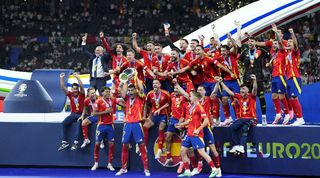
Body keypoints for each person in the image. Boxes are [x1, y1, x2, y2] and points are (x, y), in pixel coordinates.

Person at [175, 91, 219, 178]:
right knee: (183, 151)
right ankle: (187, 171)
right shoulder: (191, 107)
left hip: (196, 134)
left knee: (202, 152)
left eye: (190, 96)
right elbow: (189, 121)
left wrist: (198, 130)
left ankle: (214, 169)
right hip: (189, 133)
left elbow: (206, 121)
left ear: (195, 97)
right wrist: (180, 124)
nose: (189, 97)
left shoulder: (199, 107)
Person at [116, 78, 150, 176]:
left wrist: (136, 77)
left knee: (142, 146)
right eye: (129, 90)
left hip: (137, 124)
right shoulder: (126, 99)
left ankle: (146, 169)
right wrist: (126, 80)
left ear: (136, 91)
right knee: (124, 145)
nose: (130, 92)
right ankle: (123, 168)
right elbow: (123, 93)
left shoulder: (141, 98)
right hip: (127, 124)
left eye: (132, 90)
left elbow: (142, 89)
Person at [218, 74, 258, 154]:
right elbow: (229, 91)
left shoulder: (251, 96)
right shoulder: (239, 97)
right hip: (245, 121)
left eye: (243, 89)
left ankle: (237, 146)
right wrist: (221, 83)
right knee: (244, 129)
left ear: (248, 90)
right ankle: (240, 146)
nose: (241, 91)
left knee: (233, 126)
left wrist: (254, 80)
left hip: (252, 119)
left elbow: (255, 89)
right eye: (240, 89)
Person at [239, 36, 268, 126]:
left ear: (255, 42)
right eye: (249, 41)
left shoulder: (261, 51)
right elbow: (239, 62)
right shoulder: (245, 52)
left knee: (261, 97)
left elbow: (269, 55)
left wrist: (268, 63)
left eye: (252, 41)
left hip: (258, 77)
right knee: (247, 98)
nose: (250, 43)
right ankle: (248, 117)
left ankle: (264, 118)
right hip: (247, 78)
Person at [266, 25, 290, 124]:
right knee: (274, 97)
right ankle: (278, 114)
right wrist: (269, 65)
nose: (275, 45)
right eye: (273, 44)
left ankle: (287, 114)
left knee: (281, 96)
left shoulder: (282, 51)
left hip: (281, 76)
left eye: (276, 43)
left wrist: (276, 32)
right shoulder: (273, 54)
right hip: (274, 76)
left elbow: (280, 43)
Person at [91, 86, 117, 171]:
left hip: (110, 126)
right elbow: (94, 113)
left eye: (109, 92)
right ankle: (96, 163)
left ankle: (110, 164)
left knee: (111, 145)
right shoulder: (98, 101)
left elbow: (122, 103)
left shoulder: (112, 100)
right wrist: (105, 112)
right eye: (106, 92)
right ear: (102, 93)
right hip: (101, 125)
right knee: (97, 144)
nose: (108, 93)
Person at [143, 79, 170, 159]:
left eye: (156, 83)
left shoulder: (166, 93)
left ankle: (159, 149)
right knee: (145, 126)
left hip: (163, 115)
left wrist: (160, 109)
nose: (154, 84)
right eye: (153, 83)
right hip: (154, 115)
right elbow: (146, 105)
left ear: (160, 85)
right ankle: (144, 146)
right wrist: (145, 116)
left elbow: (168, 104)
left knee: (161, 128)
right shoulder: (150, 94)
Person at [58, 73, 85, 151]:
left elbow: (82, 86)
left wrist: (77, 77)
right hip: (73, 114)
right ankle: (64, 142)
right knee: (64, 123)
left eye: (76, 88)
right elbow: (63, 87)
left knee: (79, 123)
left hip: (81, 114)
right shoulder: (70, 94)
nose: (75, 90)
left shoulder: (82, 94)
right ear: (72, 89)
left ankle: (75, 142)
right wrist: (61, 78)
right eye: (73, 89)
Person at [284, 28, 305, 126]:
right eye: (287, 42)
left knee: (294, 97)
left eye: (290, 42)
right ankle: (298, 118)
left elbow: (295, 45)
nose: (288, 43)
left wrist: (292, 34)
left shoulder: (295, 52)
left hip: (294, 77)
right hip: (288, 78)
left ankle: (300, 118)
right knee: (291, 99)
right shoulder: (286, 55)